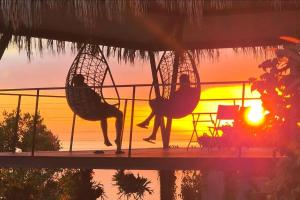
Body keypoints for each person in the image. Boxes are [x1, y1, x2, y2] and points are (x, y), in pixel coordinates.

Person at [72, 74, 124, 154]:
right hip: (94, 110)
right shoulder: (85, 89)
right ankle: (117, 139)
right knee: (119, 114)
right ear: (82, 81)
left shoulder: (72, 91)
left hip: (84, 112)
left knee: (103, 114)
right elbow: (97, 98)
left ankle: (106, 139)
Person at [137, 74, 193, 142]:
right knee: (158, 110)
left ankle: (148, 122)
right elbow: (174, 98)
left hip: (176, 110)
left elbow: (177, 100)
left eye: (181, 81)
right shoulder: (185, 90)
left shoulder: (188, 90)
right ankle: (152, 133)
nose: (180, 83)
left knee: (158, 102)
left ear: (185, 81)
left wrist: (175, 94)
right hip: (173, 107)